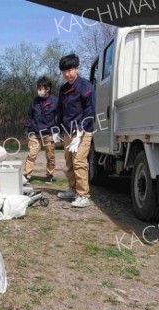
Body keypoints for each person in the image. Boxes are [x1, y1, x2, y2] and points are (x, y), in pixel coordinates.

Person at [55, 54, 95, 208]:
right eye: (64, 71)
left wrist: (80, 132)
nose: (67, 74)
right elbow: (60, 110)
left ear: (77, 68)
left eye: (70, 70)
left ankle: (83, 195)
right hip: (67, 131)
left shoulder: (86, 86)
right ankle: (72, 190)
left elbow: (90, 111)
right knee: (69, 161)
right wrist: (57, 129)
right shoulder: (63, 89)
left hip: (83, 132)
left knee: (79, 161)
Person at [23, 76, 58, 184]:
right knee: (31, 155)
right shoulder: (34, 101)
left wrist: (57, 131)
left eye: (41, 88)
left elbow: (59, 116)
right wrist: (27, 128)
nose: (39, 90)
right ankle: (26, 174)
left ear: (48, 89)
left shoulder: (55, 101)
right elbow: (30, 116)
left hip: (49, 133)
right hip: (35, 133)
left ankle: (49, 175)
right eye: (38, 88)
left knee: (50, 156)